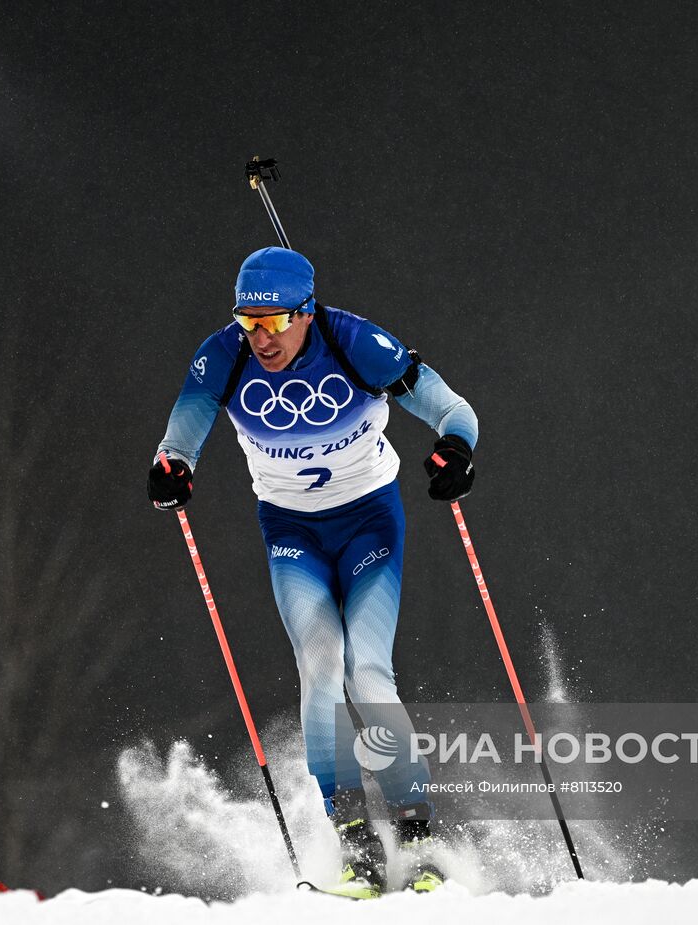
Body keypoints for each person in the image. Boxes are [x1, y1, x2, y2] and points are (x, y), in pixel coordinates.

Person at [148, 246, 477, 896]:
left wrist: (454, 450)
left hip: (369, 523)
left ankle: (418, 840)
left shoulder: (354, 341)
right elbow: (180, 433)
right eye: (250, 321)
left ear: (304, 312)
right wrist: (171, 465)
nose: (260, 337)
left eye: (273, 323)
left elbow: (453, 410)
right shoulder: (225, 355)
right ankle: (358, 849)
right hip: (292, 532)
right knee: (322, 666)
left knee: (368, 671)